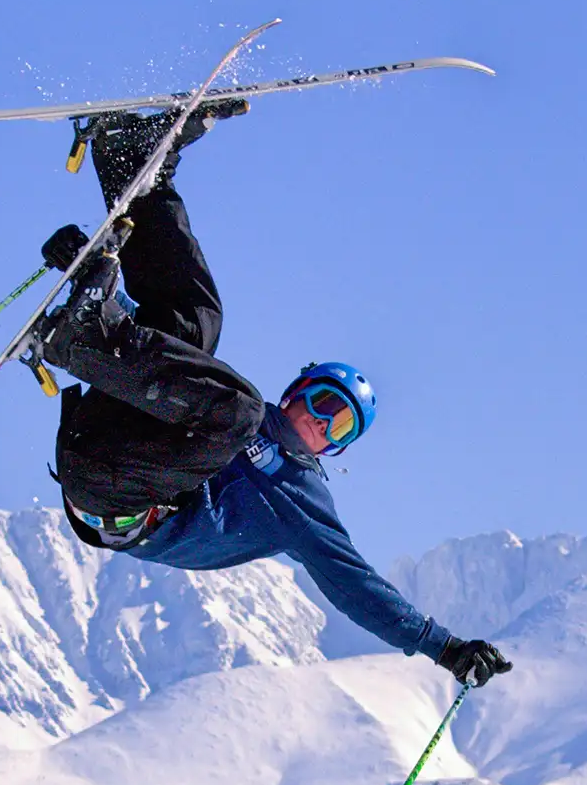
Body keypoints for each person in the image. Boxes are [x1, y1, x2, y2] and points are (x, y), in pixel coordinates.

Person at [32, 107, 512, 689]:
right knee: (196, 324)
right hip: (106, 437)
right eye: (321, 402)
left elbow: (355, 586)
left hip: (117, 501)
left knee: (230, 404)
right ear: (297, 392)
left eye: (337, 426)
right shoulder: (230, 413)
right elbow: (147, 361)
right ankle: (135, 168)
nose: (319, 421)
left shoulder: (298, 497)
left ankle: (83, 337)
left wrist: (446, 648)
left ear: (335, 450)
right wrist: (91, 285)